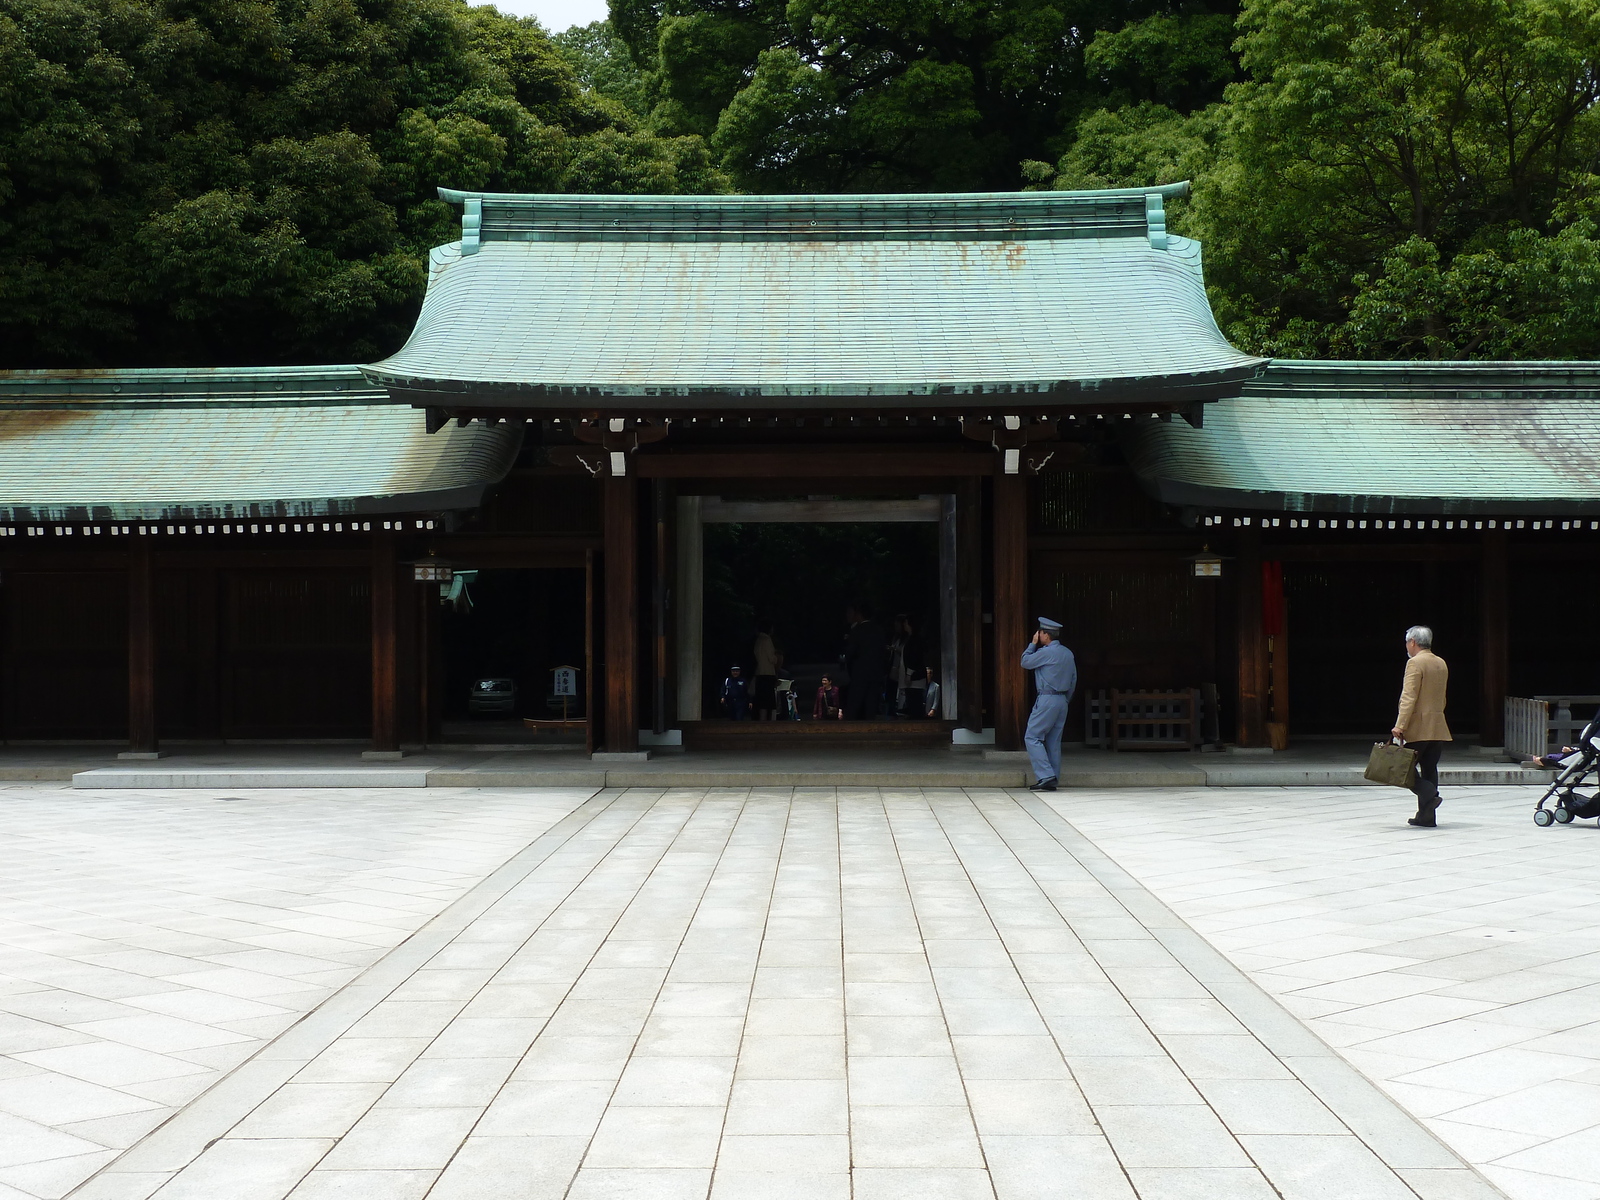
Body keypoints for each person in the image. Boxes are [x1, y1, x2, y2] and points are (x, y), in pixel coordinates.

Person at [1392, 624, 1451, 827]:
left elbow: (1409, 696)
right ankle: (1427, 816)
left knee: (1402, 769)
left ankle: (1429, 793)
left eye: (1407, 643)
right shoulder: (1440, 662)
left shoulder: (1415, 663)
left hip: (1418, 726)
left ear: (1413, 642)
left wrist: (1400, 724)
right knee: (1429, 769)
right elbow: (1441, 697)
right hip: (1437, 724)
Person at [1022, 617, 1077, 792]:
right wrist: (1065, 699)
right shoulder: (1068, 653)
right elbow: (1074, 679)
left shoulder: (1046, 652)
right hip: (1062, 700)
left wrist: (1032, 644)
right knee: (1054, 741)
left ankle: (1046, 776)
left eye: (1041, 633)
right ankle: (1053, 777)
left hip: (1047, 699)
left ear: (1045, 635)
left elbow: (1025, 662)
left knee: (1032, 736)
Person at [841, 603, 888, 720]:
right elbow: (884, 652)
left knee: (855, 703)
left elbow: (851, 653)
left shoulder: (857, 630)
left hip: (859, 673)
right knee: (871, 704)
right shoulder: (879, 630)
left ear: (859, 614)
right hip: (876, 673)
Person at [753, 621, 782, 721]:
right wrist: (776, 658)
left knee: (761, 700)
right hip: (768, 673)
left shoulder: (758, 640)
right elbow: (771, 658)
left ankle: (761, 720)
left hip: (759, 672)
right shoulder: (767, 639)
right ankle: (769, 722)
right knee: (769, 700)